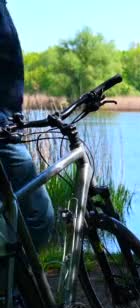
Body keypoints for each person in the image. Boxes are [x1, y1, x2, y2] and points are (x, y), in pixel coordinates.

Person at [0, 0, 54, 250]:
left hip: (9, 125)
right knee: (40, 218)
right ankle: (19, 287)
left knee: (12, 220)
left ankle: (12, 285)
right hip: (3, 130)